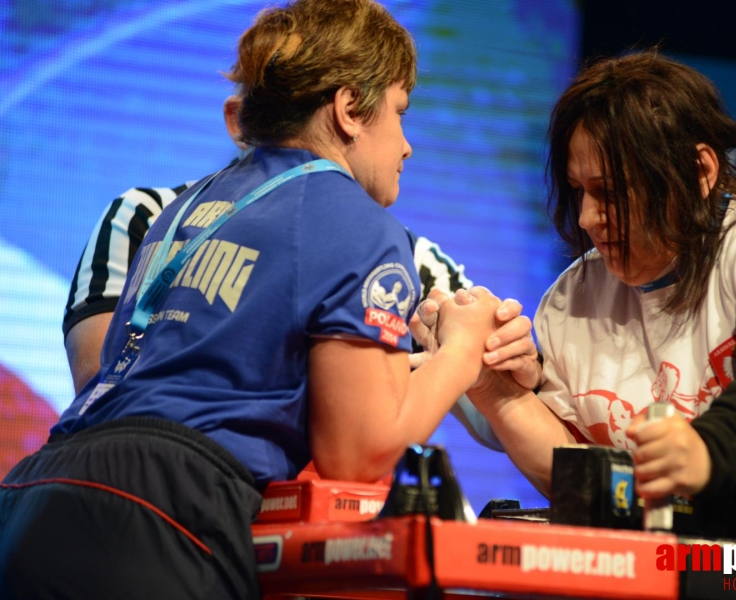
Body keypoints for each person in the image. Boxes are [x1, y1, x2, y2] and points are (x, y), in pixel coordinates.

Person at [0, 1, 525, 597]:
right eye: (400, 114)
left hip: (33, 501)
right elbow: (359, 451)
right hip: (163, 515)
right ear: (350, 109)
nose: (407, 146)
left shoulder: (186, 208)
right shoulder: (353, 218)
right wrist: (459, 349)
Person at [448, 49, 736, 548]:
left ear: (700, 171)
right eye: (579, 191)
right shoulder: (570, 302)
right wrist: (496, 390)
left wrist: (707, 448)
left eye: (610, 191)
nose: (586, 218)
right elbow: (583, 485)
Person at [62, 94, 507, 451]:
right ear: (241, 120)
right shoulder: (151, 214)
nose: (408, 144)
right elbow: (109, 381)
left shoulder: (401, 249)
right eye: (400, 112)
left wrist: (489, 360)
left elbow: (499, 421)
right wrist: (412, 366)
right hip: (166, 487)